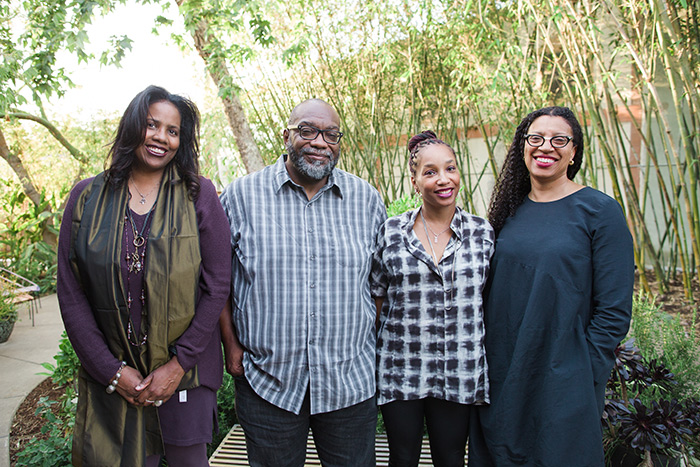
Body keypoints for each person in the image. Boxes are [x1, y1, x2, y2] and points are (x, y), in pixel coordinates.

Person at [56, 85, 231, 467]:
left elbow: (217, 284)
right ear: (134, 126)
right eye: (153, 125)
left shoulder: (198, 195)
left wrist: (177, 365)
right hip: (115, 379)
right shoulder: (86, 199)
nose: (161, 139)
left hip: (186, 374)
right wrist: (113, 371)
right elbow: (71, 294)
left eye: (173, 131)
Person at [219, 98, 387, 467]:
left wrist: (361, 342)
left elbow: (378, 287)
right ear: (286, 136)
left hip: (348, 383)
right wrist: (232, 347)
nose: (319, 142)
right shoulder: (240, 197)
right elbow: (219, 283)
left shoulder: (367, 200)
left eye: (330, 134)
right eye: (307, 131)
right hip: (268, 382)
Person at [468, 106, 634, 466]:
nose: (546, 147)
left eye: (559, 139)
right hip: (502, 373)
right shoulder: (507, 212)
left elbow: (614, 309)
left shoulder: (599, 212)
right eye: (536, 138)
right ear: (523, 146)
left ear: (574, 151)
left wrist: (582, 369)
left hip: (563, 378)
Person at [371, 131, 494, 467]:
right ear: (414, 180)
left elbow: (487, 301)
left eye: (450, 169)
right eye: (430, 172)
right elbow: (379, 298)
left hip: (459, 367)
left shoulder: (482, 234)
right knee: (403, 457)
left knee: (451, 458)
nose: (444, 179)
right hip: (401, 367)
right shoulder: (392, 231)